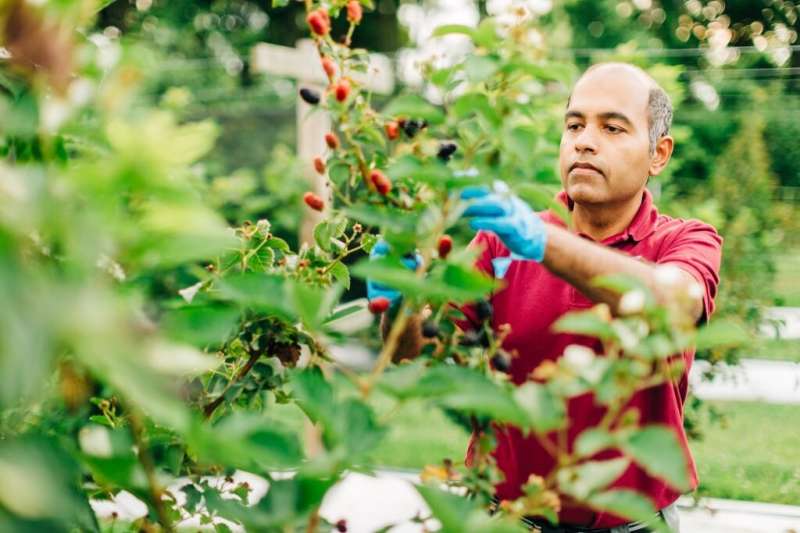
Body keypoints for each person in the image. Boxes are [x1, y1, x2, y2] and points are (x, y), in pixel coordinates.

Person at [369, 62, 722, 533]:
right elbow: (420, 352)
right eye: (574, 125)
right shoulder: (497, 246)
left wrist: (539, 241)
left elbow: (672, 301)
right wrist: (400, 304)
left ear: (658, 154)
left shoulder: (685, 241)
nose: (585, 141)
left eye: (612, 127)